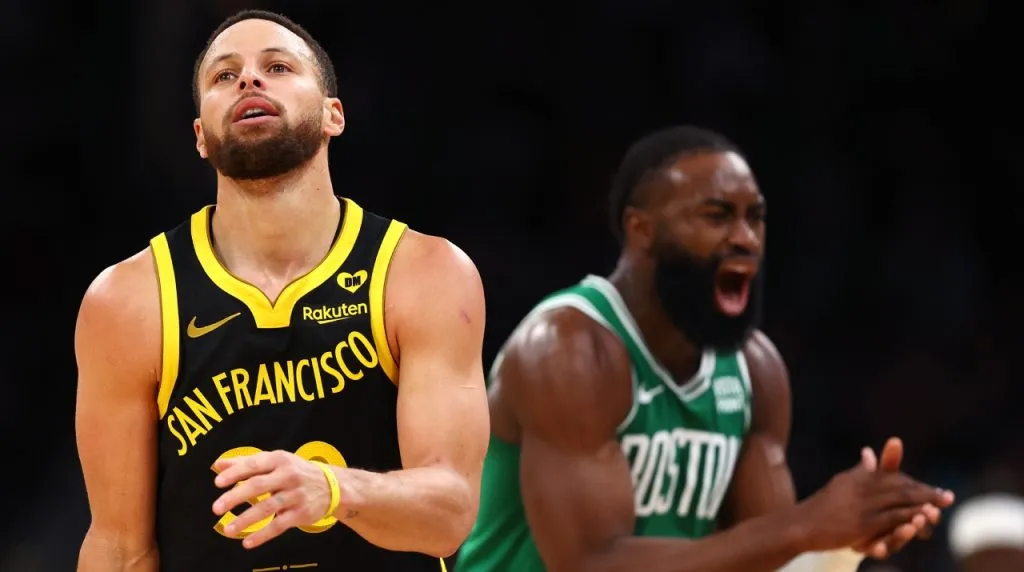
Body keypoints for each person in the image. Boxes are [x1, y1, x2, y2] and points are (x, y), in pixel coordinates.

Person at [75, 10, 488, 572]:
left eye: (277, 66)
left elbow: (450, 515)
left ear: (332, 115)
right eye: (224, 76)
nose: (248, 80)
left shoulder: (425, 273)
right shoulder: (126, 300)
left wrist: (335, 490)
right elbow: (120, 548)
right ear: (200, 136)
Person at [455, 125, 953, 572]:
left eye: (754, 219)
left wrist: (845, 540)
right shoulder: (568, 350)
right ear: (641, 230)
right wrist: (809, 525)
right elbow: (591, 563)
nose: (745, 239)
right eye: (716, 216)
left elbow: (763, 559)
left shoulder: (756, 370)